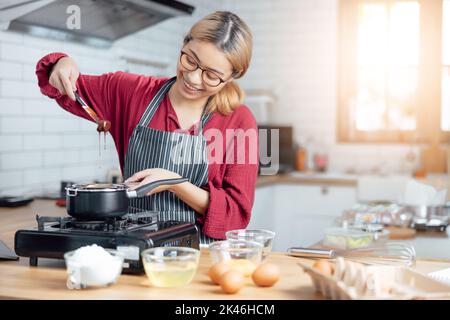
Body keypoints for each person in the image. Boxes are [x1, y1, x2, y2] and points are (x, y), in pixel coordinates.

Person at [35, 11, 258, 243]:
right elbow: (60, 85)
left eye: (211, 75)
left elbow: (235, 216)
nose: (193, 78)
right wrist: (62, 63)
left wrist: (175, 183)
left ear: (233, 75)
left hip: (199, 262)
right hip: (134, 250)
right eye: (190, 60)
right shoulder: (130, 92)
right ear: (184, 43)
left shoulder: (239, 122)